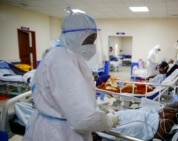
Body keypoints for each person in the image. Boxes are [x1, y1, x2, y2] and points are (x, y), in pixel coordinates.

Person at [23, 8, 119, 141]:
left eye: (94, 40)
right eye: (89, 40)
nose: (92, 45)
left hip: (58, 127)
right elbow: (83, 118)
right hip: (58, 133)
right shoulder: (62, 60)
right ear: (75, 37)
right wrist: (108, 121)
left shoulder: (66, 55)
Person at [104, 101, 178, 140]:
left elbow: (134, 126)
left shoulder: (163, 125)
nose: (169, 104)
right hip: (114, 118)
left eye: (173, 104)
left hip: (110, 125)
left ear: (174, 111)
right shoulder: (158, 114)